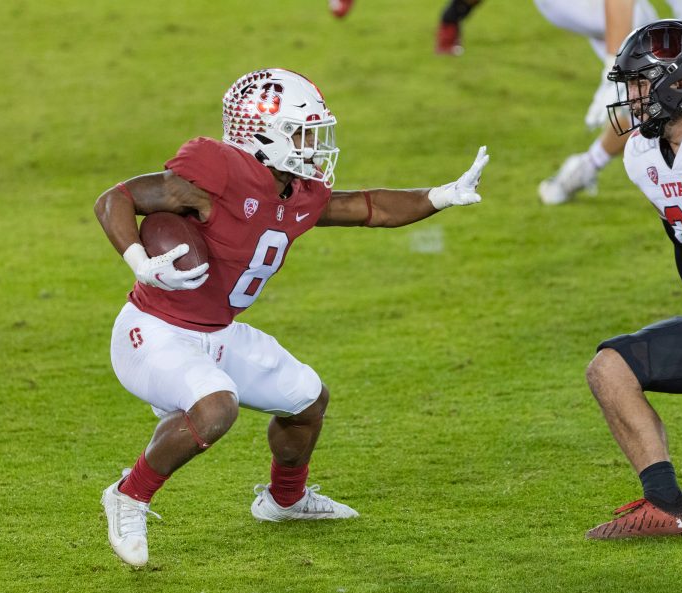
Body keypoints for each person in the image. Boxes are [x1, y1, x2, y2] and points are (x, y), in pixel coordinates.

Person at [94, 68, 490, 566]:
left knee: (306, 400)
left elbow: (366, 207)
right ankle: (128, 495)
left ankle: (284, 501)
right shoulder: (216, 175)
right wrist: (139, 262)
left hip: (218, 333)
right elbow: (116, 198)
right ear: (262, 133)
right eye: (302, 131)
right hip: (152, 332)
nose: (314, 144)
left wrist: (440, 195)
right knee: (217, 408)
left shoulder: (295, 191)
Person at [585, 20, 682, 539]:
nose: (631, 98)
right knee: (609, 370)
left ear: (678, 82)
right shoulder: (643, 156)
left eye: (640, 84)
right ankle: (665, 506)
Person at [538, 0, 682, 205]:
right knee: (652, 101)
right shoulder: (636, 155)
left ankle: (589, 164)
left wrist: (609, 65)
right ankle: (589, 164)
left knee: (672, 92)